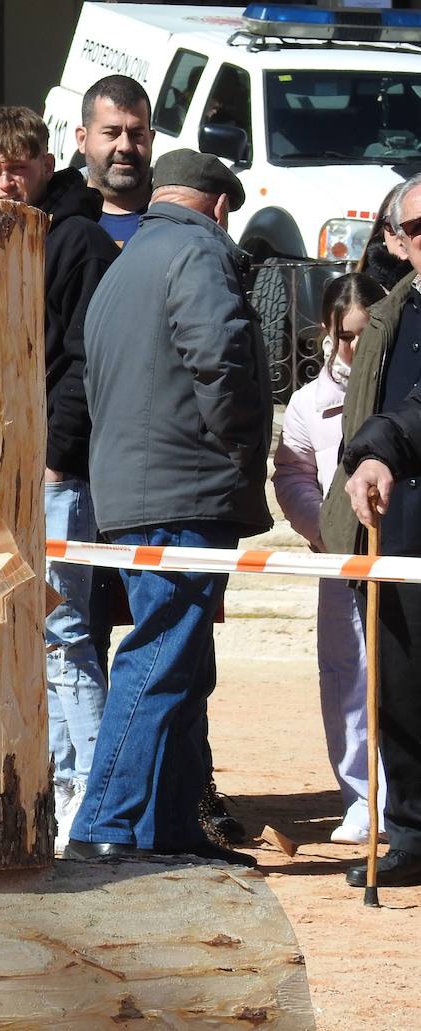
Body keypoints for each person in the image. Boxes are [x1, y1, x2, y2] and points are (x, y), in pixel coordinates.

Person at [71, 150, 272, 866]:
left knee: (184, 662)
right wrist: (244, 448)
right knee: (161, 655)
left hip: (130, 489)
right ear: (220, 206)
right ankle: (108, 822)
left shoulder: (127, 263)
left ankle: (173, 827)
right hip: (184, 487)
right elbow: (218, 357)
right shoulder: (197, 252)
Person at [0, 106, 119, 851]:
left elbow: (86, 362)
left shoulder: (77, 239)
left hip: (58, 470)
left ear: (44, 162)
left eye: (18, 165)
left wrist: (58, 450)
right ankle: (54, 781)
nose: (6, 180)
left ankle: (90, 790)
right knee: (21, 635)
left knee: (64, 630)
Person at [323, 171, 421, 888]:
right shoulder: (389, 312)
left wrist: (383, 443)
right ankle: (413, 829)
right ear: (395, 240)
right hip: (388, 526)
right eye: (415, 229)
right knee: (398, 686)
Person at [274, 272, 388, 846]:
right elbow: (291, 472)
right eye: (347, 337)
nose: (356, 349)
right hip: (338, 558)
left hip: (400, 551)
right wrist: (323, 527)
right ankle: (361, 799)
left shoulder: (400, 389)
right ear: (326, 331)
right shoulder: (307, 402)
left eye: (368, 337)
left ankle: (405, 799)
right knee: (346, 677)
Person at [75, 74, 153, 249]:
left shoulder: (179, 217)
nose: (125, 146)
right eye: (111, 133)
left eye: (136, 134)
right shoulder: (50, 217)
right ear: (82, 139)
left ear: (151, 138)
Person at [357, 184, 412, 291]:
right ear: (382, 229)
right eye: (394, 224)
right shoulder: (360, 291)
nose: (402, 234)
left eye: (416, 225)